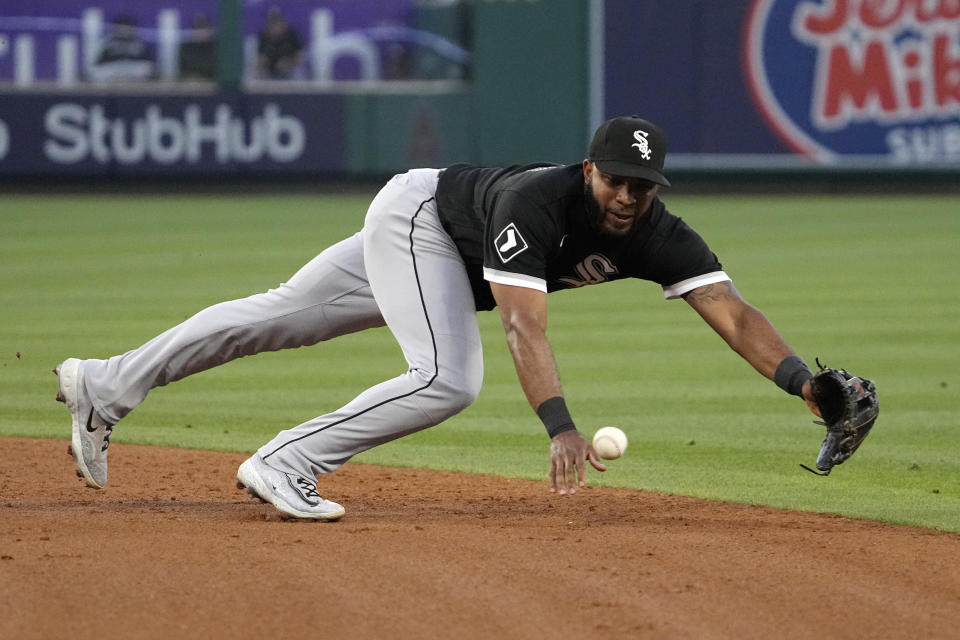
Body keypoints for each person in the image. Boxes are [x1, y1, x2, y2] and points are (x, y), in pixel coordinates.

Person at [55, 115, 825, 522]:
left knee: (279, 315)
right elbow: (523, 325)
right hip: (420, 221)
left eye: (644, 185)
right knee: (447, 379)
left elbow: (731, 312)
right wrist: (559, 424)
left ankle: (104, 383)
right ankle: (288, 461)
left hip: (442, 252)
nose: (629, 196)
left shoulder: (658, 231)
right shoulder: (537, 201)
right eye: (617, 179)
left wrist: (807, 386)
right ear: (590, 170)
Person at [88, 15, 155, 83]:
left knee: (146, 69)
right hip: (114, 67)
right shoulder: (108, 41)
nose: (124, 30)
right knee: (97, 72)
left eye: (127, 27)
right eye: (121, 27)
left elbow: (148, 61)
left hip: (132, 67)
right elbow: (99, 62)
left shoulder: (139, 41)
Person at [256, 6, 305, 79]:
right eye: (272, 23)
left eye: (277, 23)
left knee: (297, 73)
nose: (275, 26)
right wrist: (262, 64)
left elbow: (300, 55)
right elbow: (260, 58)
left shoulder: (292, 35)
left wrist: (290, 64)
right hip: (269, 71)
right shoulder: (264, 36)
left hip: (290, 71)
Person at [179, 12, 218, 82]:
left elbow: (219, 69)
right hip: (192, 85)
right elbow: (182, 70)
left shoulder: (217, 48)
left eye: (203, 28)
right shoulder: (187, 48)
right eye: (197, 28)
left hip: (211, 84)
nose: (201, 32)